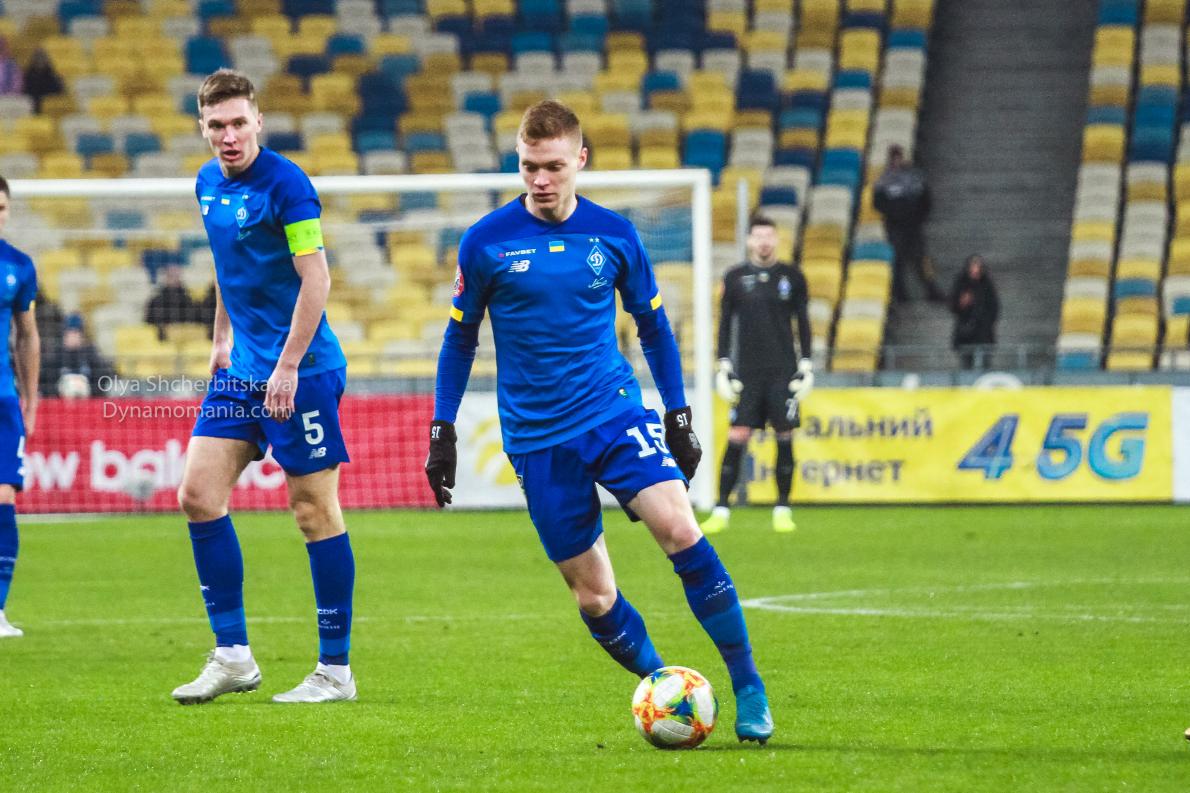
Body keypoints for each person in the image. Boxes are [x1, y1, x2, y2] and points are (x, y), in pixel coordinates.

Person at [425, 100, 774, 744]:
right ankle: (664, 686)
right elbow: (459, 339)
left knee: (680, 527)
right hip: (536, 439)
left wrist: (677, 412)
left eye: (554, 166)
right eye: (529, 167)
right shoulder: (484, 241)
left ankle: (749, 685)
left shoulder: (614, 234)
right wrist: (441, 429)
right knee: (594, 597)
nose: (541, 180)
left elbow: (654, 325)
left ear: (580, 159)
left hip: (612, 413)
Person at [171, 69, 355, 705]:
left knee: (312, 511)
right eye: (216, 125)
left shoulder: (288, 186)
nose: (229, 136)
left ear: (258, 123)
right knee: (198, 495)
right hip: (242, 371)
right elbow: (232, 268)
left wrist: (287, 366)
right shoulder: (206, 184)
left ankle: (335, 671)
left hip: (303, 371)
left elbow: (316, 279)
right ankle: (233, 657)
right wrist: (221, 336)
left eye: (238, 123)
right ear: (203, 128)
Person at [700, 215, 813, 535]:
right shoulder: (735, 277)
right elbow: (725, 323)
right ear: (749, 241)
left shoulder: (792, 276)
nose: (764, 241)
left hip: (783, 371)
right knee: (737, 435)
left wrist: (806, 362)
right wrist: (723, 363)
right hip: (747, 372)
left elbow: (803, 321)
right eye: (758, 236)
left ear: (776, 239)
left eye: (768, 235)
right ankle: (721, 509)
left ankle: (782, 508)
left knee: (785, 435)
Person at [0, 175, 41, 638]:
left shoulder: (17, 265)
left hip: (3, 400)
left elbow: (28, 336)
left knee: (4, 498)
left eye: (1, 208)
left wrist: (31, 397)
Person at [873, 144, 945, 303]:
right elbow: (878, 203)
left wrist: (920, 217)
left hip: (913, 226)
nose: (897, 161)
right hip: (896, 228)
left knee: (922, 259)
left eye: (898, 157)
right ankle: (900, 294)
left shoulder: (914, 177)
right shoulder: (884, 180)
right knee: (898, 261)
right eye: (894, 158)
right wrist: (894, 214)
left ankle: (931, 290)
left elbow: (926, 199)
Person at [40, 313, 115, 397]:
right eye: (69, 333)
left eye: (76, 333)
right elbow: (44, 383)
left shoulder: (91, 354)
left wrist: (89, 388)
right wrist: (59, 389)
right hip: (61, 402)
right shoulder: (55, 355)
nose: (72, 336)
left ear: (82, 335)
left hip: (87, 402)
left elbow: (104, 379)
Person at [949, 254, 1000, 369]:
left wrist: (987, 321)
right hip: (965, 332)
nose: (975, 270)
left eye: (977, 267)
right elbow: (953, 306)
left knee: (985, 362)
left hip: (984, 332)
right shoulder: (961, 283)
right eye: (973, 266)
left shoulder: (987, 284)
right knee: (966, 363)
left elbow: (994, 307)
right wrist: (962, 303)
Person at [144, 263, 200, 341]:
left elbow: (195, 321)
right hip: (163, 339)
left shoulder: (189, 299)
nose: (173, 279)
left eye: (176, 276)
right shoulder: (156, 300)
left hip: (185, 338)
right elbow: (149, 322)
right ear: (165, 277)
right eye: (171, 276)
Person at [21, 48, 63, 113]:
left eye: (42, 58)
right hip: (33, 105)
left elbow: (58, 92)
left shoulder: (53, 75)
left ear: (47, 60)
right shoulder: (28, 75)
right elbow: (25, 92)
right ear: (33, 60)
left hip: (49, 106)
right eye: (38, 59)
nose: (40, 61)